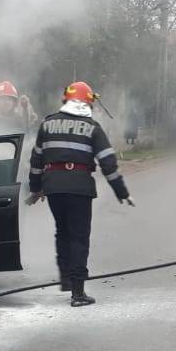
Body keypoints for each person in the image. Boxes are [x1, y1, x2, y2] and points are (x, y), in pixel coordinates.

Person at [26, 81, 133, 307]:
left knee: (62, 233)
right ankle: (78, 292)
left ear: (66, 100)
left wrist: (35, 188)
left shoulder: (47, 124)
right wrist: (121, 192)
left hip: (54, 188)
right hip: (79, 189)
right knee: (78, 237)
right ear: (88, 103)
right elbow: (108, 163)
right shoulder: (92, 127)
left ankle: (66, 278)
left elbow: (36, 161)